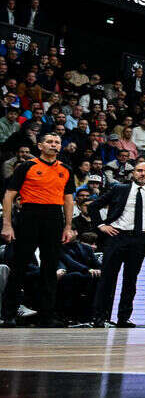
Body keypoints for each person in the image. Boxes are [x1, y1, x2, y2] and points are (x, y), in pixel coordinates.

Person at [1, 131, 75, 326]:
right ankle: (8, 314)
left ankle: (46, 315)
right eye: (49, 142)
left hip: (54, 217)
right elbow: (9, 196)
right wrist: (7, 225)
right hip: (29, 215)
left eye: (57, 142)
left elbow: (68, 200)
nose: (54, 145)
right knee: (19, 266)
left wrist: (68, 226)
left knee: (50, 268)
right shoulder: (27, 166)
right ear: (40, 146)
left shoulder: (66, 169)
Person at [90, 161, 145, 326]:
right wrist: (102, 226)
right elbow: (94, 206)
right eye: (139, 170)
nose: (142, 174)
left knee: (131, 279)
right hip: (117, 236)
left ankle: (123, 318)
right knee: (108, 278)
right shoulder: (120, 189)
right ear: (133, 173)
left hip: (140, 239)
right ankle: (99, 317)